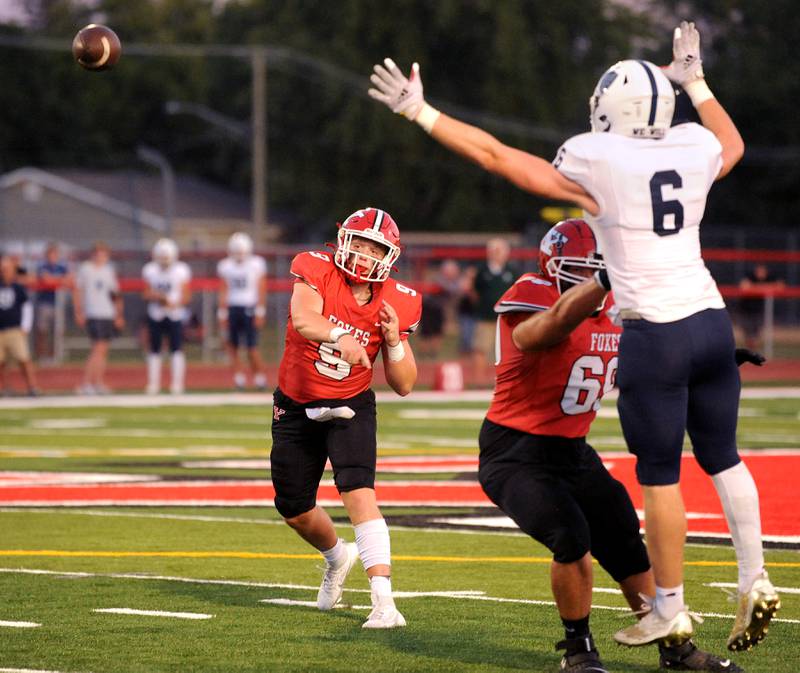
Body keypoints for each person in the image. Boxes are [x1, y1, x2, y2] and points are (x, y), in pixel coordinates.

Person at [368, 20, 779, 653]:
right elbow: (732, 143)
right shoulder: (692, 147)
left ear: (606, 112)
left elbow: (501, 159)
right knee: (723, 457)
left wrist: (422, 112)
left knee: (661, 476)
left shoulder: (600, 161)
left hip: (656, 332)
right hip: (707, 318)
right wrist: (696, 80)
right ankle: (753, 577)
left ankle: (670, 607)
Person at [479, 219, 739, 672]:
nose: (587, 280)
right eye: (579, 271)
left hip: (573, 450)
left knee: (625, 541)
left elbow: (666, 349)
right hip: (515, 452)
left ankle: (675, 649)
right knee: (571, 536)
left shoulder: (621, 305)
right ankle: (578, 650)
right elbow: (542, 331)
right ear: (551, 266)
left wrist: (714, 357)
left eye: (596, 271)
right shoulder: (534, 292)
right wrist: (597, 289)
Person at [271, 207, 421, 629]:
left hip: (351, 403)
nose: (365, 254)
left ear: (390, 256)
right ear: (342, 240)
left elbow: (405, 383)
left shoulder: (399, 299)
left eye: (376, 248)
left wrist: (392, 341)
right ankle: (338, 557)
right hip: (297, 402)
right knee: (294, 508)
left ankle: (384, 602)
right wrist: (343, 337)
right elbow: (304, 318)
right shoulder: (315, 268)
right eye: (359, 243)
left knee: (359, 492)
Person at [217, 232, 269, 390]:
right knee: (232, 346)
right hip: (233, 307)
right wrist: (222, 312)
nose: (239, 255)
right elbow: (223, 289)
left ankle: (260, 378)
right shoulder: (225, 265)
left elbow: (261, 288)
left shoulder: (257, 263)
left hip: (250, 307)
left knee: (252, 347)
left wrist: (260, 311)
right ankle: (239, 379)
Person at [73, 241, 124, 394]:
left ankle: (98, 382)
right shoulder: (85, 269)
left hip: (107, 313)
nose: (101, 257)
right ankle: (86, 383)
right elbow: (77, 290)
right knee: (97, 348)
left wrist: (118, 314)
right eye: (99, 253)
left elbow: (115, 294)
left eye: (104, 254)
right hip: (93, 313)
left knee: (103, 350)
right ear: (93, 255)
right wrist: (79, 311)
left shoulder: (109, 271)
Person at [142, 238, 192, 395]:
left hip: (175, 314)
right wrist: (158, 297)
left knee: (176, 349)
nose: (164, 261)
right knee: (154, 349)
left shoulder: (181, 270)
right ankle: (153, 384)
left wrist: (173, 303)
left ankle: (177, 384)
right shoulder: (150, 270)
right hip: (156, 313)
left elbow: (186, 296)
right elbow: (145, 293)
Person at [472, 238, 517, 378]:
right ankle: (479, 380)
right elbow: (474, 290)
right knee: (481, 349)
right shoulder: (482, 270)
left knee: (508, 350)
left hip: (506, 319)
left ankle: (506, 379)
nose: (497, 254)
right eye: (495, 251)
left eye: (500, 251)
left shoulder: (512, 271)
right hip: (486, 317)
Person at [0, 254, 38, 396]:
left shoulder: (18, 288)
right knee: (1, 362)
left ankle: (32, 387)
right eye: (3, 269)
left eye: (7, 268)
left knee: (24, 359)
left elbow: (27, 307)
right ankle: (5, 388)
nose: (4, 271)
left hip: (14, 329)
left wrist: (25, 326)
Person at [35, 242, 72, 361]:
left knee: (57, 331)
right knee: (42, 330)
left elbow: (70, 279)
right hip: (45, 303)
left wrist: (56, 280)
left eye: (55, 254)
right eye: (50, 254)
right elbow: (46, 280)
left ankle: (54, 355)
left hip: (58, 305)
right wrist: (60, 280)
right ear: (47, 255)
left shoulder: (62, 267)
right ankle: (41, 356)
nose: (53, 256)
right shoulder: (42, 266)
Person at [738, 264, 783, 351]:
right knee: (748, 331)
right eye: (759, 270)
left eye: (763, 271)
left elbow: (781, 286)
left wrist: (758, 288)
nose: (761, 273)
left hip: (759, 310)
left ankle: (752, 349)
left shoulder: (770, 277)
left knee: (756, 332)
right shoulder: (750, 276)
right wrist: (764, 288)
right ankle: (750, 348)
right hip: (745, 309)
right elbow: (744, 286)